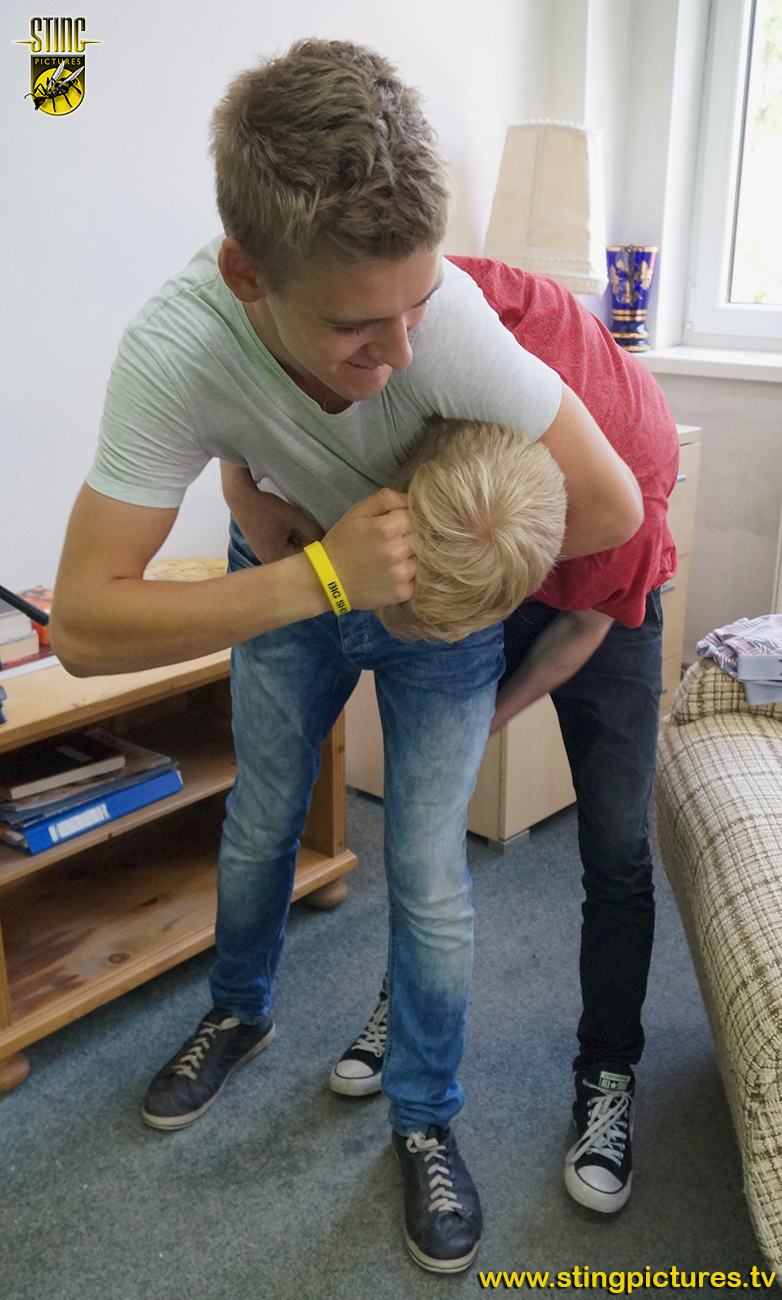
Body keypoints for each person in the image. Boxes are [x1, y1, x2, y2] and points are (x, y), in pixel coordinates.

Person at [49, 41, 641, 1273]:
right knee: (261, 819)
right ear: (247, 275)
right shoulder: (175, 346)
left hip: (435, 609)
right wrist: (316, 571)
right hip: (293, 572)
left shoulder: (446, 328)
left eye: (415, 305)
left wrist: (457, 562)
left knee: (427, 873)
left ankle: (424, 1115)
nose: (404, 354)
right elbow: (89, 627)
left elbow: (610, 508)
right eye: (357, 326)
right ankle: (238, 1012)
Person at [328, 256, 680, 1218]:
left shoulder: (630, 495)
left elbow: (577, 632)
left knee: (616, 847)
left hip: (601, 605)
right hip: (484, 533)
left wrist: (491, 714)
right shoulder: (441, 313)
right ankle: (413, 1008)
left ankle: (607, 1075)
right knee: (428, 820)